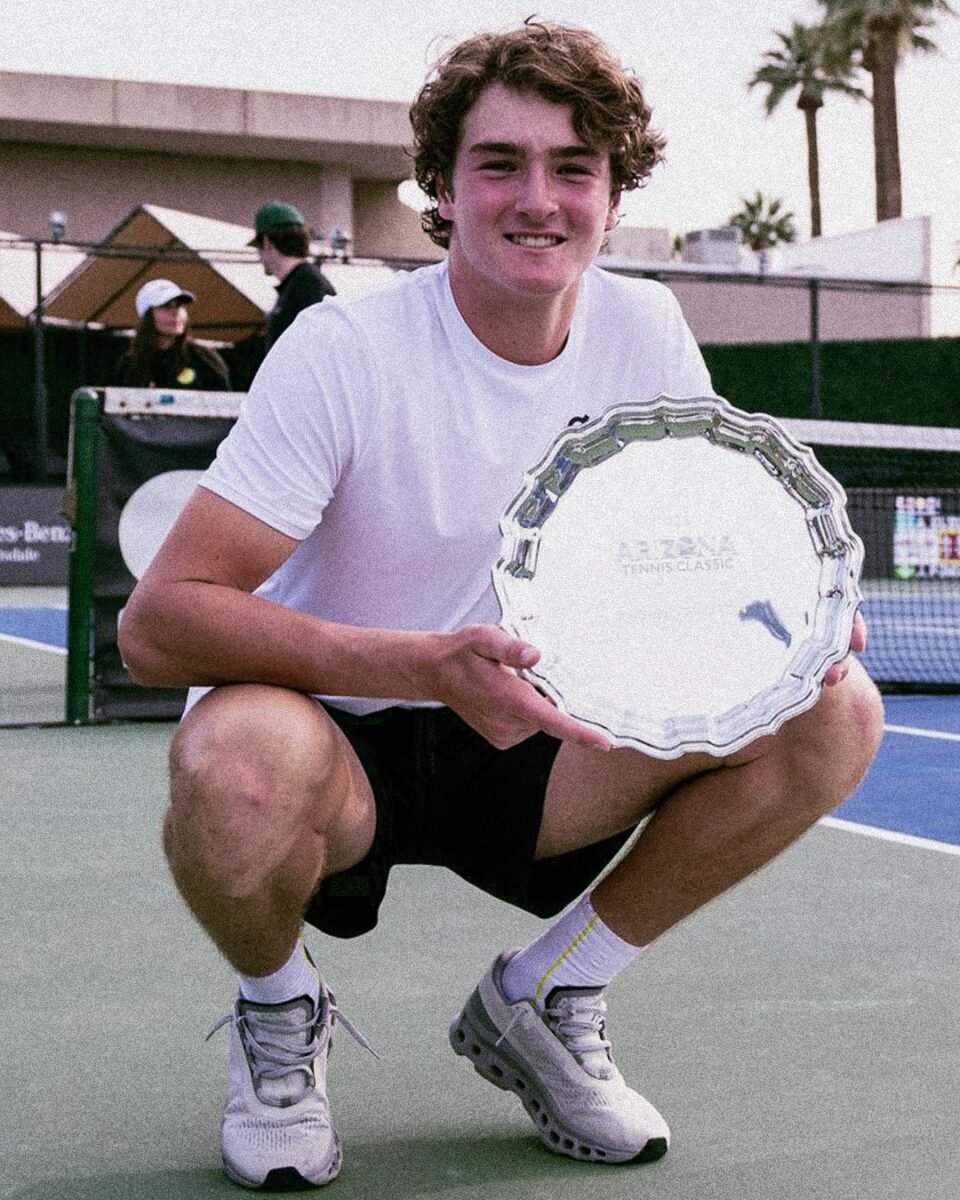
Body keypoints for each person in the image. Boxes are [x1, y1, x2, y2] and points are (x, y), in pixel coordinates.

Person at [119, 19, 884, 1192]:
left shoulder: (648, 330)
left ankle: (549, 993)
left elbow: (707, 563)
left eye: (574, 167)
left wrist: (790, 628)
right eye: (500, 164)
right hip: (341, 743)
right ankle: (281, 1014)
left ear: (613, 193)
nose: (539, 198)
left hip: (550, 747)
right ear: (440, 185)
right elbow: (158, 624)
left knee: (837, 710)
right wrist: (423, 665)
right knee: (231, 767)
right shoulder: (343, 350)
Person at [114, 279, 232, 391]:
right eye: (166, 306)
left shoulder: (204, 358)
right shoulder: (130, 364)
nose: (176, 312)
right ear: (147, 316)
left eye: (180, 305)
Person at [250, 201, 336, 350]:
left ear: (266, 242)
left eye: (258, 248)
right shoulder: (304, 283)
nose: (259, 256)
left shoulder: (306, 287)